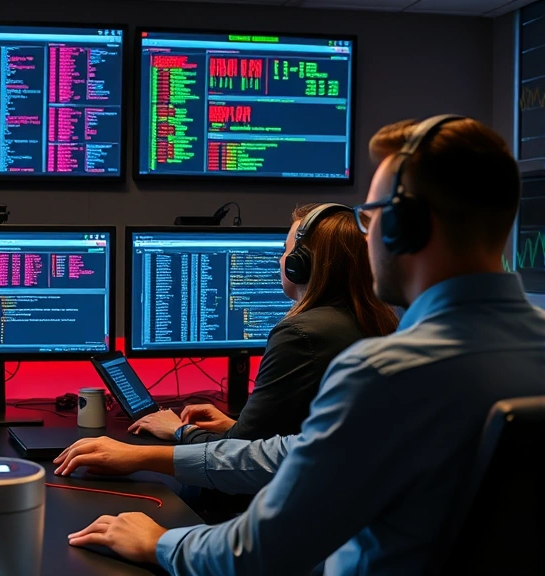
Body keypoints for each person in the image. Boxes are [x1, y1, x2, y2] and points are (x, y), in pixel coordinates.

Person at [54, 115, 545, 574]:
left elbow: (261, 550)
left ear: (402, 226)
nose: (367, 236)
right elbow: (294, 453)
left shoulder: (385, 373)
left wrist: (159, 543)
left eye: (370, 217)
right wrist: (168, 449)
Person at [128, 203, 399, 444]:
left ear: (299, 265)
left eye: (286, 250)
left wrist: (177, 430)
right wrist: (239, 426)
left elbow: (239, 459)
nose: (281, 260)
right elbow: (302, 437)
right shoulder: (379, 321)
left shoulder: (299, 335)